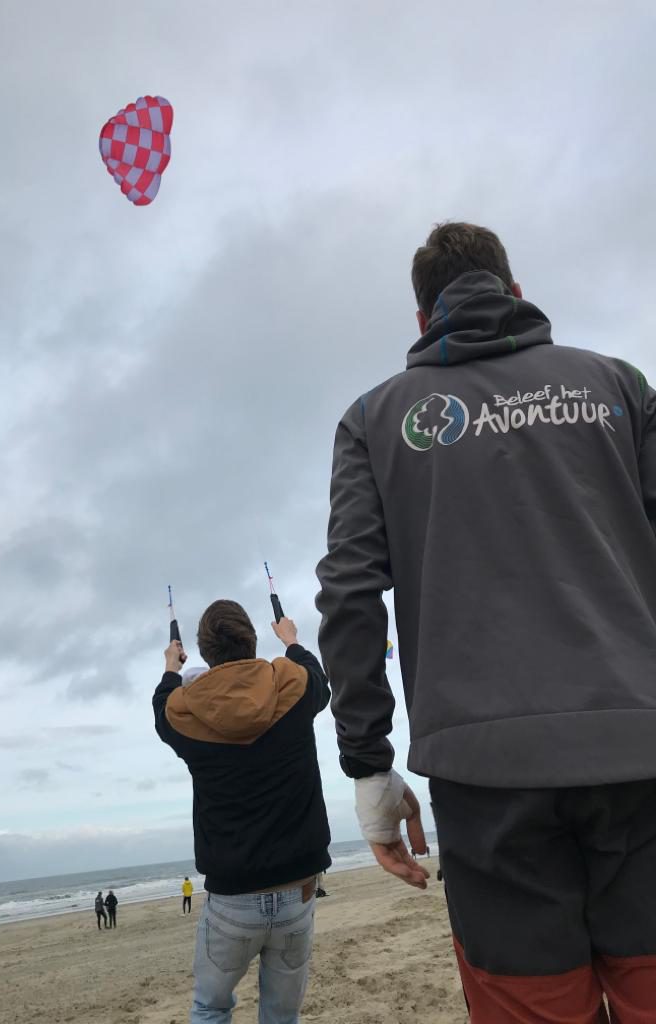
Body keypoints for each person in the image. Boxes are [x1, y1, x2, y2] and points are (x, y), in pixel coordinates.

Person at [316, 221, 656, 1022]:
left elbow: (350, 592)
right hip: (639, 747)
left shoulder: (373, 418)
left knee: (533, 1006)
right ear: (516, 291)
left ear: (421, 317)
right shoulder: (617, 385)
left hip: (484, 774)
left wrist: (369, 764)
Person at [154, 601, 331, 1023]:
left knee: (211, 1008)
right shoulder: (293, 684)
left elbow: (161, 708)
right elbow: (319, 680)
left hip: (232, 898)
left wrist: (171, 667)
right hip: (297, 889)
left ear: (204, 651)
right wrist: (291, 641)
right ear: (251, 639)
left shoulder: (184, 710)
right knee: (281, 1016)